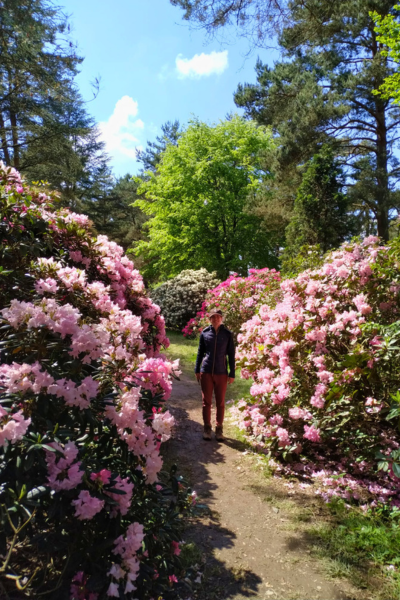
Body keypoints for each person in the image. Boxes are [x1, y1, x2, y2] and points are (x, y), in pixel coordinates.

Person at [194, 309, 235, 441]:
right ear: (210, 319)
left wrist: (232, 373)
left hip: (221, 372)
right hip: (206, 372)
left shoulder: (227, 334)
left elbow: (231, 356)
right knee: (206, 402)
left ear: (221, 319)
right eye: (213, 317)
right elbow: (200, 352)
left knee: (220, 402)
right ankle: (207, 428)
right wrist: (197, 369)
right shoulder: (205, 333)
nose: (215, 319)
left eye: (218, 317)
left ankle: (219, 429)